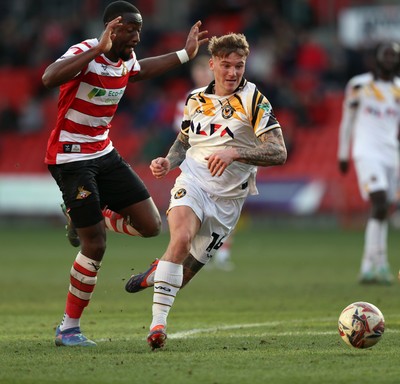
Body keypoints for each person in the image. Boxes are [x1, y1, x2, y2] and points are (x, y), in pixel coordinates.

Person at [41, 0, 208, 347]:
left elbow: (139, 70)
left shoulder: (125, 58)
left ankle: (88, 212)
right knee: (95, 243)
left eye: (139, 30)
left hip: (103, 153)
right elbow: (48, 77)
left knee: (150, 226)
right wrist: (96, 50)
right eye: (131, 29)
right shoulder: (88, 49)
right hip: (71, 157)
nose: (136, 36)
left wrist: (184, 55)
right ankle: (68, 328)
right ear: (112, 27)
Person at [125, 32, 287, 350]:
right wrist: (168, 161)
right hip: (194, 182)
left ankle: (155, 274)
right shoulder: (195, 99)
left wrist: (235, 153)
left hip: (229, 202)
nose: (232, 73)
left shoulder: (254, 101)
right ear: (211, 64)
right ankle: (157, 327)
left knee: (181, 277)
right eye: (225, 65)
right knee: (181, 239)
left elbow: (279, 152)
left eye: (239, 66)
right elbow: (185, 141)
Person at [337, 41, 400, 285]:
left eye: (394, 56)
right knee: (380, 200)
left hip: (391, 154)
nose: (390, 59)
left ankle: (369, 266)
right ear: (376, 58)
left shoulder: (397, 88)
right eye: (386, 55)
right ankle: (380, 263)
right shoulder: (359, 85)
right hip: (366, 152)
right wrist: (343, 154)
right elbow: (347, 120)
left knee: (383, 209)